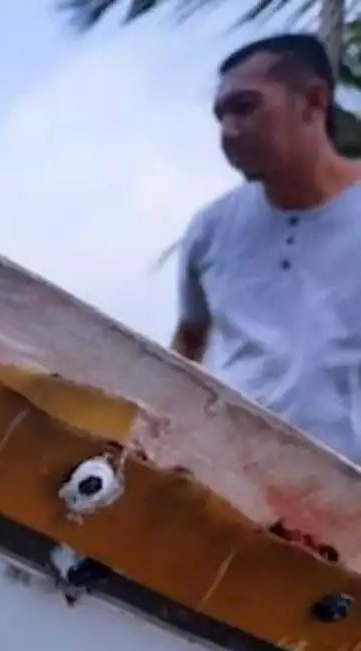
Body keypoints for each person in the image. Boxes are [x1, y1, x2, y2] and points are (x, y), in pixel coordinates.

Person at [172, 33, 361, 465]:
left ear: (312, 101)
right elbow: (189, 344)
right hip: (222, 480)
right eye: (220, 115)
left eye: (245, 107)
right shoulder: (210, 229)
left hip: (345, 499)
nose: (228, 132)